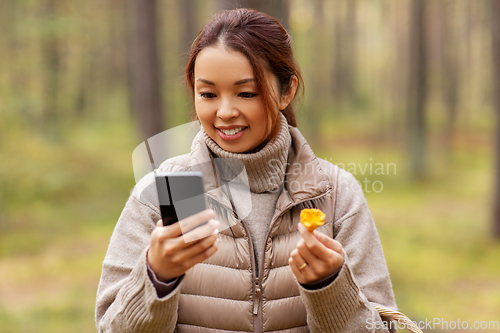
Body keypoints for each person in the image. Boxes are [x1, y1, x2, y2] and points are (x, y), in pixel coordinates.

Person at [96, 8, 397, 333]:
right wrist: (156, 276)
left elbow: (382, 326)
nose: (225, 112)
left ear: (287, 91)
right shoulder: (164, 190)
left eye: (246, 93)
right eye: (208, 94)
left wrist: (331, 287)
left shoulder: (336, 194)